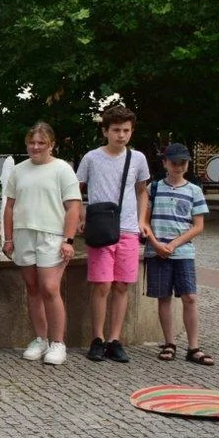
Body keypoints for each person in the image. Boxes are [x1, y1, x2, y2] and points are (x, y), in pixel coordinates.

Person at [76, 105, 151, 364]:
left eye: (126, 130)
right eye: (116, 130)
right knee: (102, 285)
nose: (121, 135)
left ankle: (114, 339)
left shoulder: (138, 158)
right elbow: (77, 190)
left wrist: (142, 220)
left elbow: (142, 191)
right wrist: (82, 217)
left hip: (128, 228)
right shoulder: (92, 158)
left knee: (121, 285)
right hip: (100, 228)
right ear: (105, 130)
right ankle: (97, 337)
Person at [2, 123, 81, 365]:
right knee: (33, 288)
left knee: (49, 287)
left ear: (51, 145)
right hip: (24, 232)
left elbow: (73, 207)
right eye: (32, 143)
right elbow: (9, 206)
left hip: (52, 235)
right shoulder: (18, 170)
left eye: (41, 143)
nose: (35, 147)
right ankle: (40, 338)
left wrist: (68, 240)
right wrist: (8, 238)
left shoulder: (62, 170)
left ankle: (58, 342)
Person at [144, 143, 212, 366]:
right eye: (173, 162)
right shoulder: (153, 188)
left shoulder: (194, 190)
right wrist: (156, 244)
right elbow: (144, 220)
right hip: (157, 251)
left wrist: (173, 244)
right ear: (164, 163)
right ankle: (169, 343)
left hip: (183, 252)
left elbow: (198, 225)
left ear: (187, 164)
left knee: (189, 297)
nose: (178, 166)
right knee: (163, 297)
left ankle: (194, 347)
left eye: (182, 163)